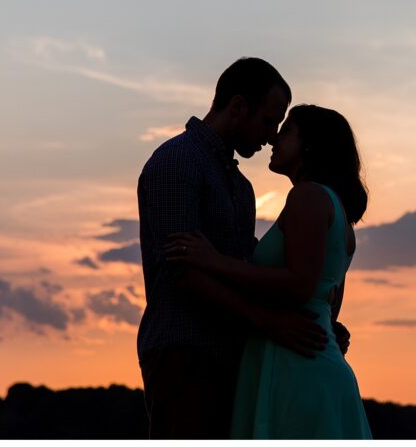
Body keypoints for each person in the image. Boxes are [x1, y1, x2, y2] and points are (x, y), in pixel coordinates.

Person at [136, 58, 350, 439]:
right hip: (185, 351)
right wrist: (271, 323)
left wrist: (321, 322)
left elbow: (248, 270)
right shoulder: (177, 162)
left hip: (235, 358)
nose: (271, 135)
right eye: (269, 120)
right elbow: (181, 271)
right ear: (237, 106)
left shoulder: (241, 187)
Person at [167, 104, 373, 439]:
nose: (275, 136)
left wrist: (212, 260)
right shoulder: (338, 213)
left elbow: (300, 285)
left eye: (287, 129)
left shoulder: (308, 196)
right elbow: (328, 305)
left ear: (309, 145)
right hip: (306, 359)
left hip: (296, 365)